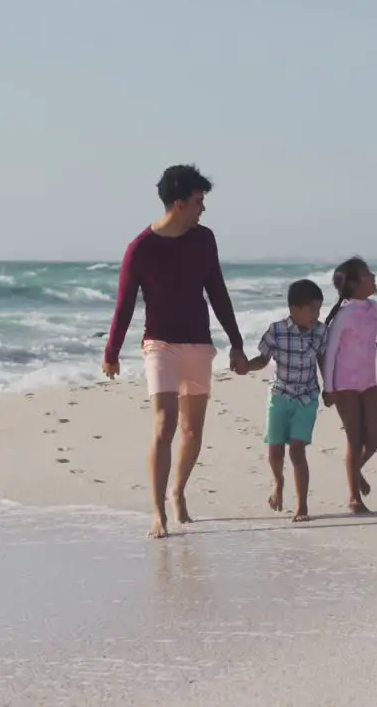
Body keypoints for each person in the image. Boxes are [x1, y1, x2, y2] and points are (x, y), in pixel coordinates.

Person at [102, 164, 248, 538]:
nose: (204, 208)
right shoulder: (140, 249)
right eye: (199, 201)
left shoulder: (205, 239)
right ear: (179, 203)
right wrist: (112, 352)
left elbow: (216, 289)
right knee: (165, 423)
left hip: (198, 343)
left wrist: (236, 342)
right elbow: (124, 304)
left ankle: (178, 491)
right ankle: (157, 513)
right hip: (160, 344)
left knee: (192, 431)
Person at [320, 257, 377, 514]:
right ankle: (353, 497)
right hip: (344, 385)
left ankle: (355, 469)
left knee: (375, 436)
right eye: (368, 274)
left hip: (368, 381)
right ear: (354, 284)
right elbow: (331, 350)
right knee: (354, 437)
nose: (373, 277)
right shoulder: (344, 314)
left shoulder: (371, 307)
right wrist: (328, 387)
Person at [243, 279, 327, 523]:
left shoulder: (321, 332)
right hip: (279, 396)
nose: (316, 315)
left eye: (319, 309)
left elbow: (323, 360)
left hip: (307, 397)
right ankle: (278, 482)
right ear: (294, 309)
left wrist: (329, 388)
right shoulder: (276, 331)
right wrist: (246, 366)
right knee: (275, 449)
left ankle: (302, 505)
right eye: (312, 309)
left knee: (298, 451)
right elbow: (263, 359)